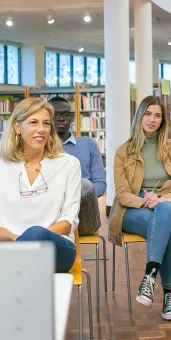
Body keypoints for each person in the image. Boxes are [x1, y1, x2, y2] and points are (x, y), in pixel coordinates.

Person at [0, 98, 81, 273]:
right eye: (33, 122)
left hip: (56, 249)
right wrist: (20, 240)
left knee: (36, 233)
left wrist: (34, 239)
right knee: (29, 246)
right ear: (17, 128)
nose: (41, 129)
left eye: (46, 123)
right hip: (12, 248)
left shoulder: (69, 164)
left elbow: (67, 221)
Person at [109, 95, 171, 321]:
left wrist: (162, 199)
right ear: (139, 116)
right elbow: (122, 194)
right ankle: (170, 294)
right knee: (167, 229)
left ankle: (150, 276)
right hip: (134, 209)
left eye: (158, 115)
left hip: (170, 206)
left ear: (163, 120)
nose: (152, 119)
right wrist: (146, 201)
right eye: (148, 113)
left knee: (164, 212)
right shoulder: (124, 151)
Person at [49, 96, 106, 236]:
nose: (61, 118)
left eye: (65, 114)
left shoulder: (89, 144)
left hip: (84, 217)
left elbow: (100, 184)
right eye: (55, 114)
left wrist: (72, 197)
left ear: (72, 118)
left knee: (85, 184)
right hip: (50, 217)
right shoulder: (39, 147)